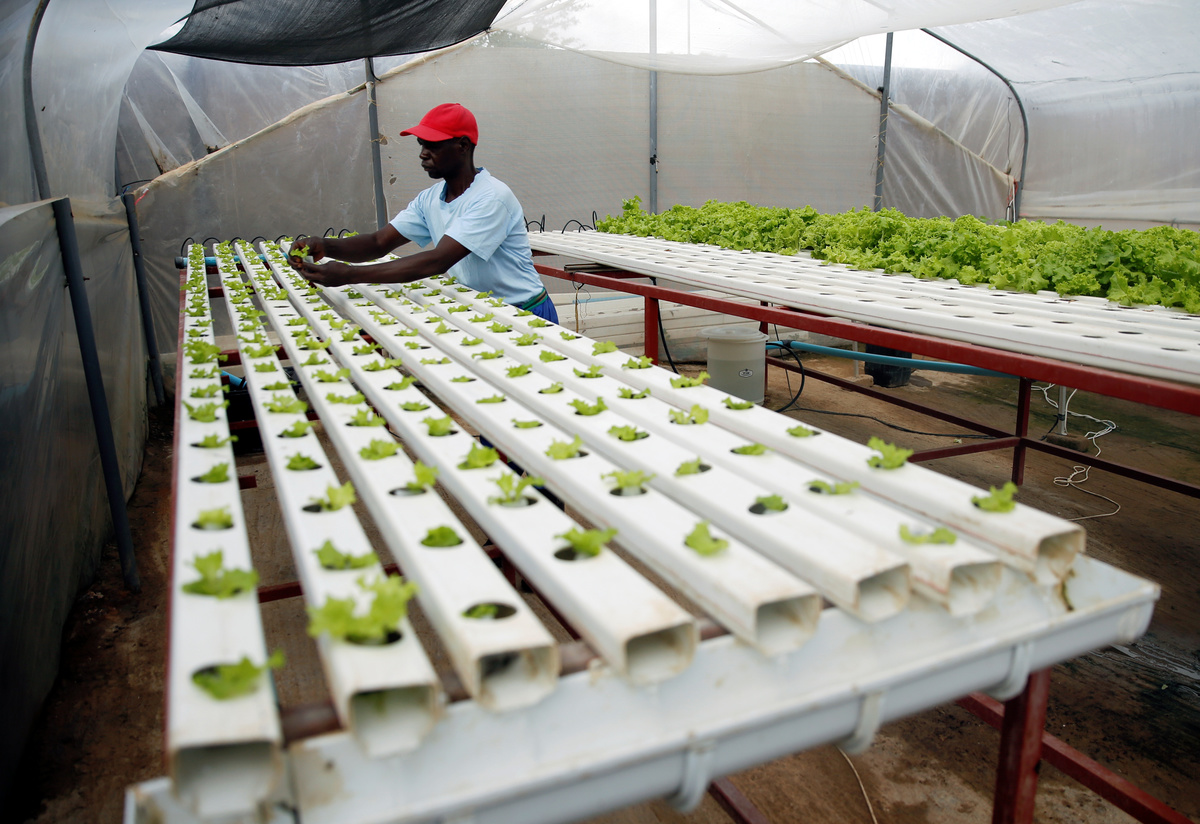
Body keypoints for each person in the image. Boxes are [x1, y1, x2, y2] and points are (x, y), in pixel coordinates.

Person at [289, 103, 557, 321]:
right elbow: (378, 242)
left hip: (524, 311)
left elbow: (437, 261)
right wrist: (325, 246)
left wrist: (350, 275)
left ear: (463, 146)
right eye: (421, 144)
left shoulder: (491, 197)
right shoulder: (431, 198)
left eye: (433, 146)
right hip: (482, 310)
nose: (422, 154)